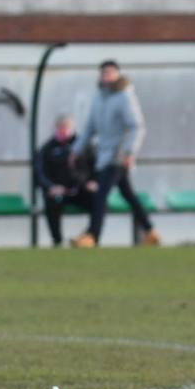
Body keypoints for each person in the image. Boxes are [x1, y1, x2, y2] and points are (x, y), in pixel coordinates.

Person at [70, 60, 160, 248]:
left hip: (117, 156)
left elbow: (136, 126)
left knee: (100, 195)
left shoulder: (124, 97)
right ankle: (150, 231)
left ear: (118, 74)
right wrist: (76, 150)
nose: (107, 76)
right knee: (128, 195)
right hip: (104, 156)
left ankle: (92, 235)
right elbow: (90, 128)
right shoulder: (99, 98)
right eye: (104, 73)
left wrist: (129, 152)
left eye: (111, 72)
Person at [35, 114, 98, 247]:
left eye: (66, 127)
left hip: (81, 190)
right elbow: (40, 174)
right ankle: (57, 241)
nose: (63, 130)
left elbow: (96, 167)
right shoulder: (47, 149)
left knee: (98, 199)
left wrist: (93, 182)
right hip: (59, 192)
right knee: (51, 201)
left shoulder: (84, 144)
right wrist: (51, 187)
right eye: (60, 127)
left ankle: (89, 236)